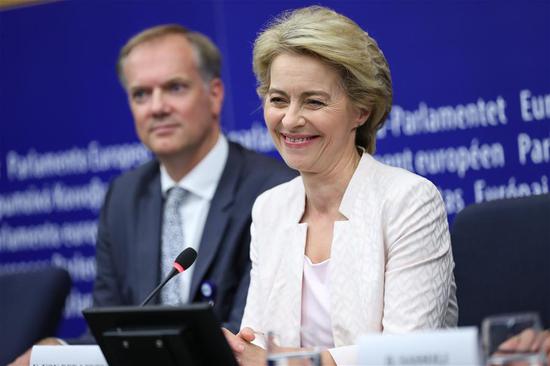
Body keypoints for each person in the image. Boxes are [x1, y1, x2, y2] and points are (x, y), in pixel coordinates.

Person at [9, 24, 295, 365]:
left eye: (174, 88)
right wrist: (55, 353)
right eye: (141, 94)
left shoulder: (275, 190)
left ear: (215, 94)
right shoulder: (123, 197)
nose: (157, 107)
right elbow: (110, 329)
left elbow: (252, 336)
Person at [223, 6, 458, 365]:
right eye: (278, 99)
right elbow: (257, 345)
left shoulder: (408, 200)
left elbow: (409, 354)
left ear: (361, 110)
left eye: (314, 101)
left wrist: (291, 363)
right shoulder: (269, 208)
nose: (290, 119)